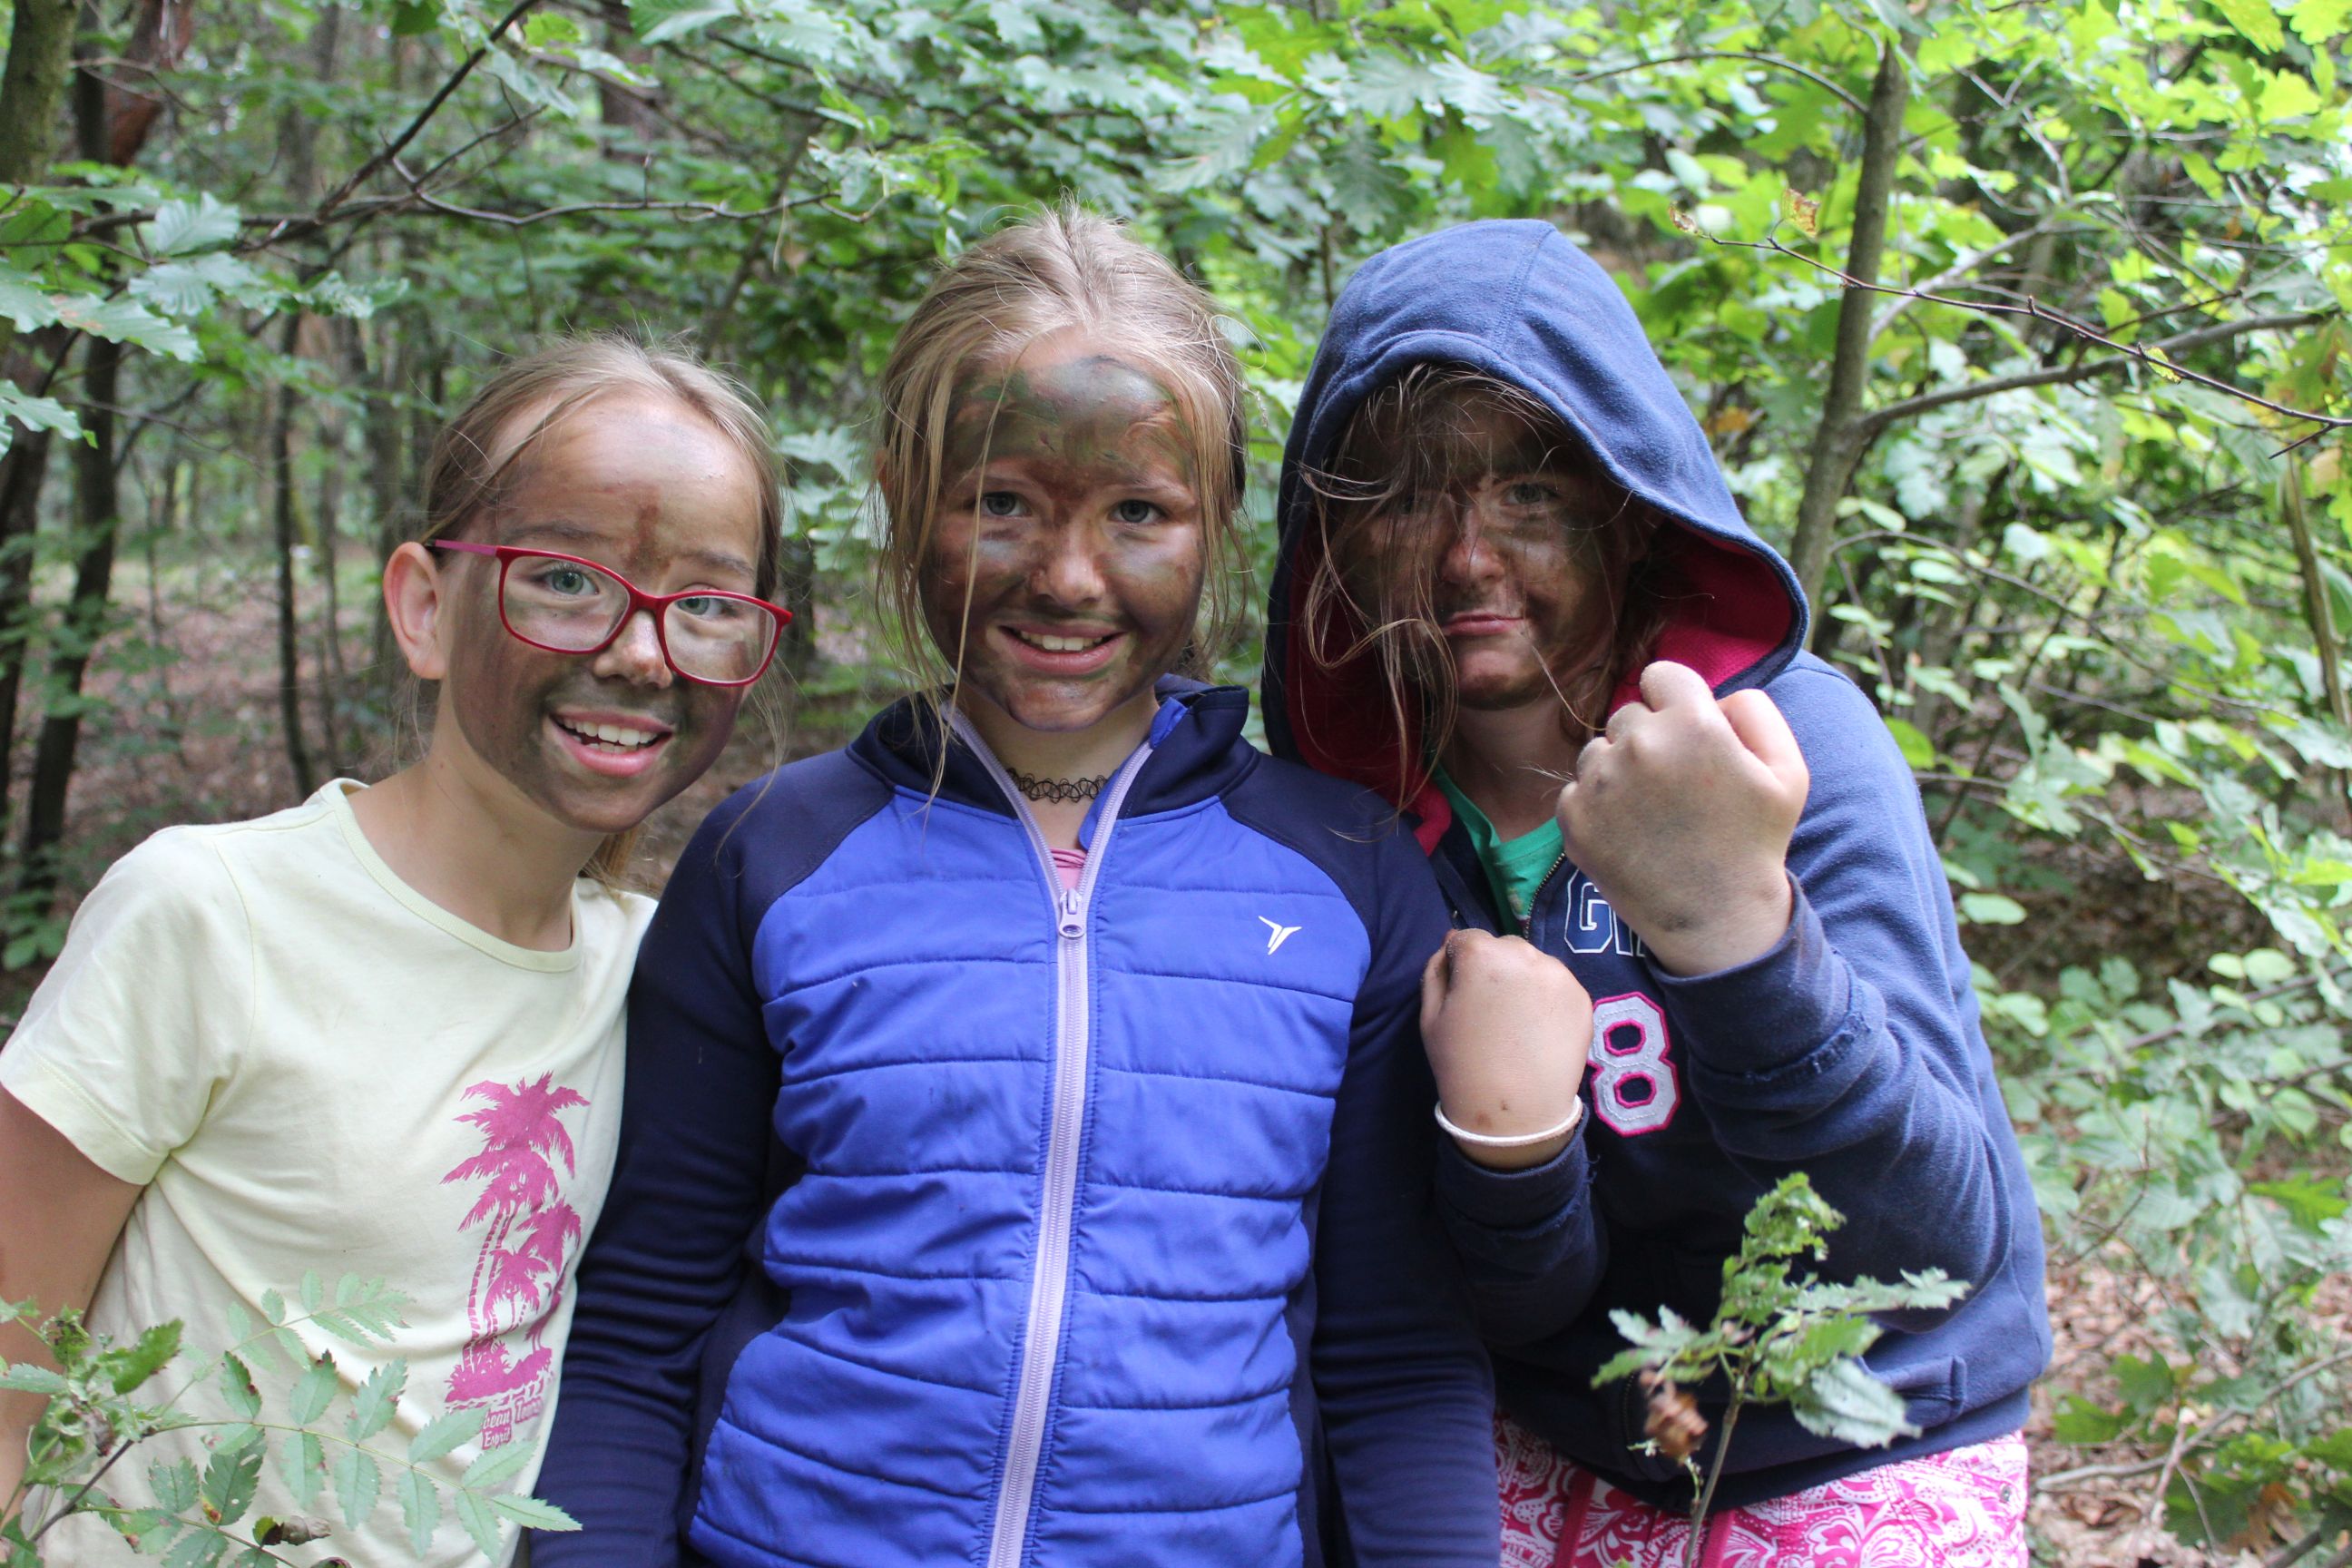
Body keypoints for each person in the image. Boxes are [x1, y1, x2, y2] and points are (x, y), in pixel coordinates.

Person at [533, 209, 1524, 1568]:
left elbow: (1398, 1360)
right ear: (907, 495)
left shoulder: (1347, 877)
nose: (1067, 578)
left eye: (1139, 513)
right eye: (1001, 503)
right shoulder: (774, 856)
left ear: (1215, 522)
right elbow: (639, 1331)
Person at [1262, 220, 2053, 1566]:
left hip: (1869, 1418)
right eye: (1404, 500)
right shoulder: (1355, 828)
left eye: (1529, 494)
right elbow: (1497, 1300)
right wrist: (1510, 1144)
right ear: (1335, 540)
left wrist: (1730, 930)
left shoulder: (1780, 746)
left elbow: (1929, 1235)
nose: (1466, 558)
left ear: (1628, 512)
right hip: (1554, 1421)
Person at [0, 337, 788, 1565]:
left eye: (707, 605)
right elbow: (10, 1384)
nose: (642, 651)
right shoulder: (211, 916)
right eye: (564, 580)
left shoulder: (667, 974)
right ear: (425, 607)